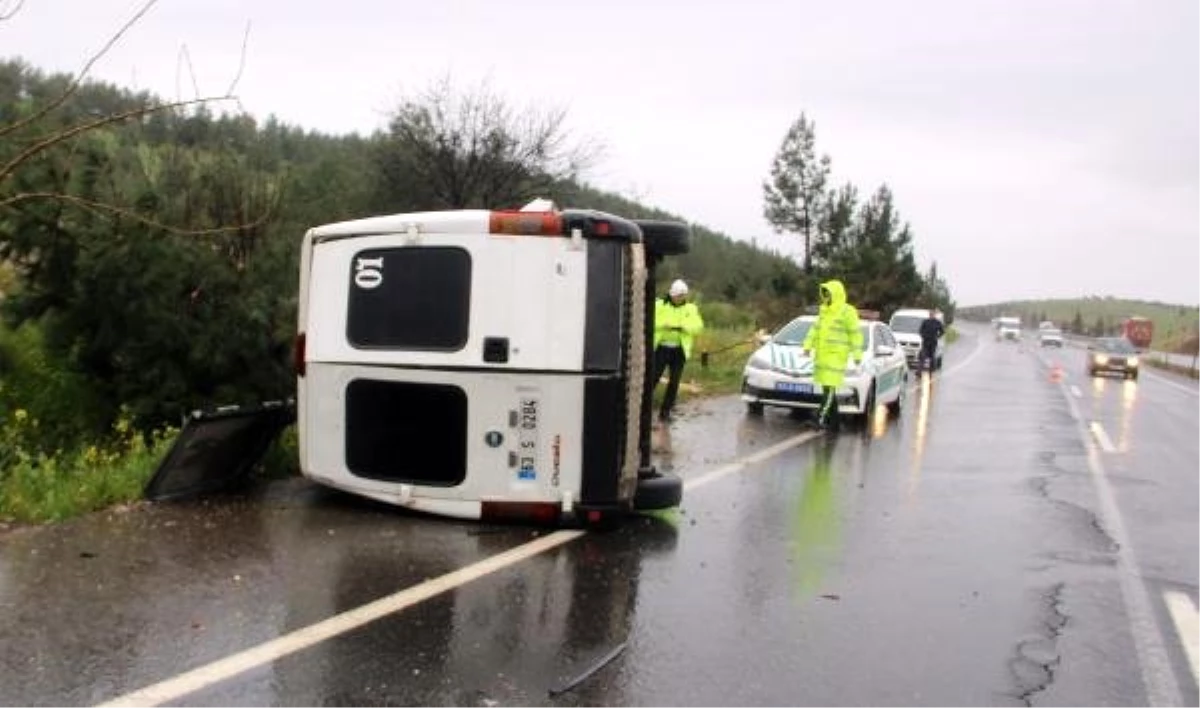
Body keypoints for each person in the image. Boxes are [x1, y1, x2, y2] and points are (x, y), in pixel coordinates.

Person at [801, 279, 863, 431]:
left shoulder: (847, 311)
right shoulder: (824, 311)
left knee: (829, 390)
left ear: (836, 294)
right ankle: (834, 422)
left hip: (836, 357)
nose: (826, 297)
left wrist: (857, 354)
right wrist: (807, 346)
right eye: (824, 294)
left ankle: (820, 418)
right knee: (826, 389)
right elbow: (815, 329)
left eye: (828, 294)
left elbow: (855, 334)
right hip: (822, 356)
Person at [652, 279, 704, 422]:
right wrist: (665, 325)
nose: (680, 298)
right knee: (653, 379)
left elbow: (698, 326)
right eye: (678, 295)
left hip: (679, 351)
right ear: (672, 294)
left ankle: (665, 412)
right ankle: (644, 410)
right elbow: (651, 322)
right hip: (661, 348)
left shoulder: (691, 309)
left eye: (682, 295)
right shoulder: (659, 305)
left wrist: (683, 327)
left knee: (674, 382)